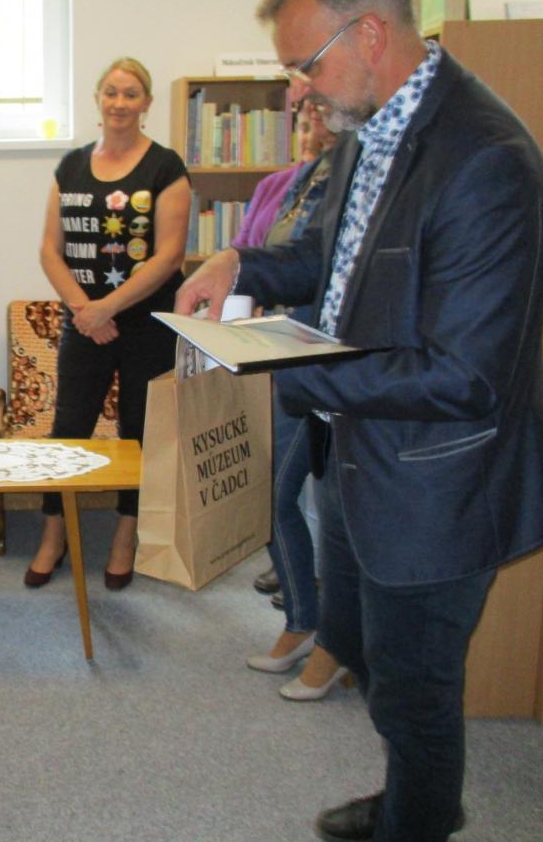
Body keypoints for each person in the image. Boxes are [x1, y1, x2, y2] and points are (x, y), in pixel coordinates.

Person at [176, 0, 543, 842]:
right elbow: (332, 259)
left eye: (305, 65)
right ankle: (417, 801)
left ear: (372, 34)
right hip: (359, 452)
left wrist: (273, 364)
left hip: (439, 483)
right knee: (379, 665)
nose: (298, 91)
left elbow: (464, 376)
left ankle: (419, 820)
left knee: (418, 687)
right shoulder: (370, 127)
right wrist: (242, 262)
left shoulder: (485, 158)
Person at [26, 57, 191, 591]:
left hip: (147, 325)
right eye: (112, 92)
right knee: (68, 430)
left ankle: (126, 535)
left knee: (138, 433)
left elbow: (169, 256)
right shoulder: (70, 166)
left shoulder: (165, 167)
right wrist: (85, 311)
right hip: (84, 322)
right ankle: (54, 533)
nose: (120, 102)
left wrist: (108, 307)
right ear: (98, 98)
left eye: (131, 93)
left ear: (146, 104)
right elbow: (50, 251)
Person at [238, 102, 349, 702]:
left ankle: (334, 641)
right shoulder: (305, 177)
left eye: (317, 102)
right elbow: (281, 261)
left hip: (334, 367)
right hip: (287, 357)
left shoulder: (358, 171)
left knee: (328, 509)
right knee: (270, 497)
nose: (308, 114)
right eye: (302, 106)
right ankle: (305, 622)